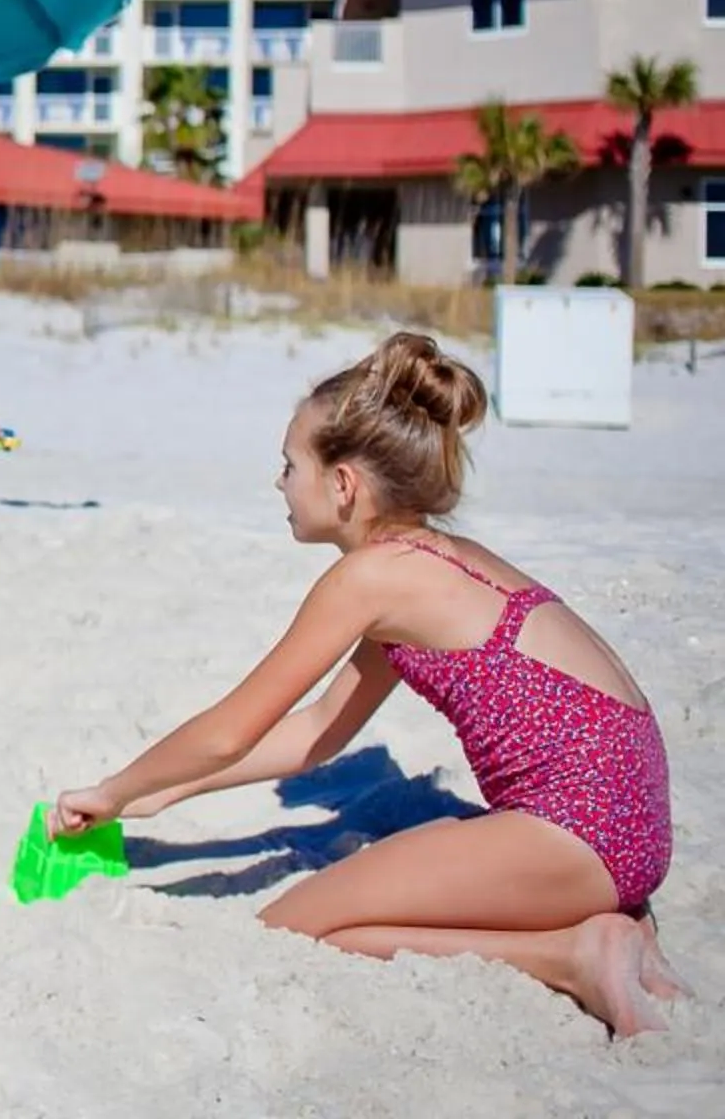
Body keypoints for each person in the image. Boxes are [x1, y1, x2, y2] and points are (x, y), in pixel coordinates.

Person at [49, 333, 682, 1037]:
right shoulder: (434, 559)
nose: (280, 483)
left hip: (578, 834)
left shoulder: (369, 579)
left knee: (295, 924)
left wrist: (112, 790)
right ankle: (612, 921)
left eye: (290, 465)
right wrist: (166, 793)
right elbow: (319, 731)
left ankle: (573, 955)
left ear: (343, 485)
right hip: (633, 829)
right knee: (338, 903)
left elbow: (231, 729)